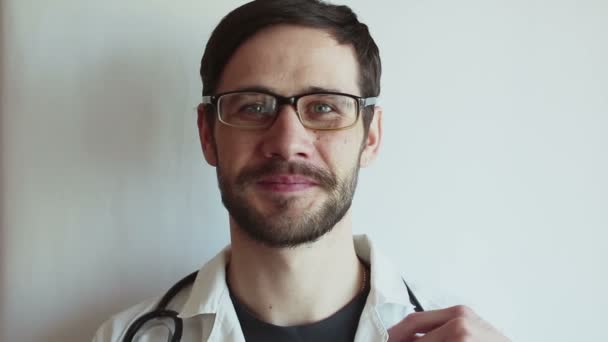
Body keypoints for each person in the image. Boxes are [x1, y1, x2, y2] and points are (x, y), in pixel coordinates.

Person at [93, 0, 510, 341]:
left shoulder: (461, 334)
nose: (287, 142)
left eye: (324, 107)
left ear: (371, 137)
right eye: (254, 106)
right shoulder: (122, 337)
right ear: (207, 134)